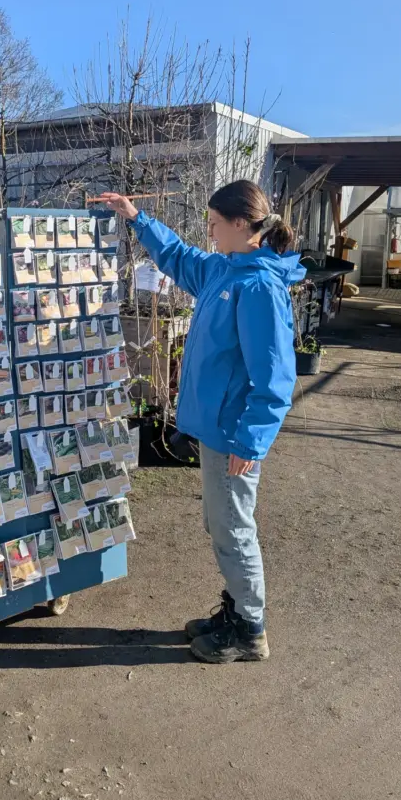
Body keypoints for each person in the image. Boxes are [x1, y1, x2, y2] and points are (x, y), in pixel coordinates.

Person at [99, 181, 305, 664]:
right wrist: (135, 216)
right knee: (221, 523)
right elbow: (178, 256)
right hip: (217, 431)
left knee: (233, 528)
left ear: (240, 225)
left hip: (235, 437)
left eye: (214, 224)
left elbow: (274, 379)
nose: (208, 232)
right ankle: (235, 610)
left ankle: (249, 629)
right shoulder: (225, 270)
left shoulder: (258, 288)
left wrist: (250, 443)